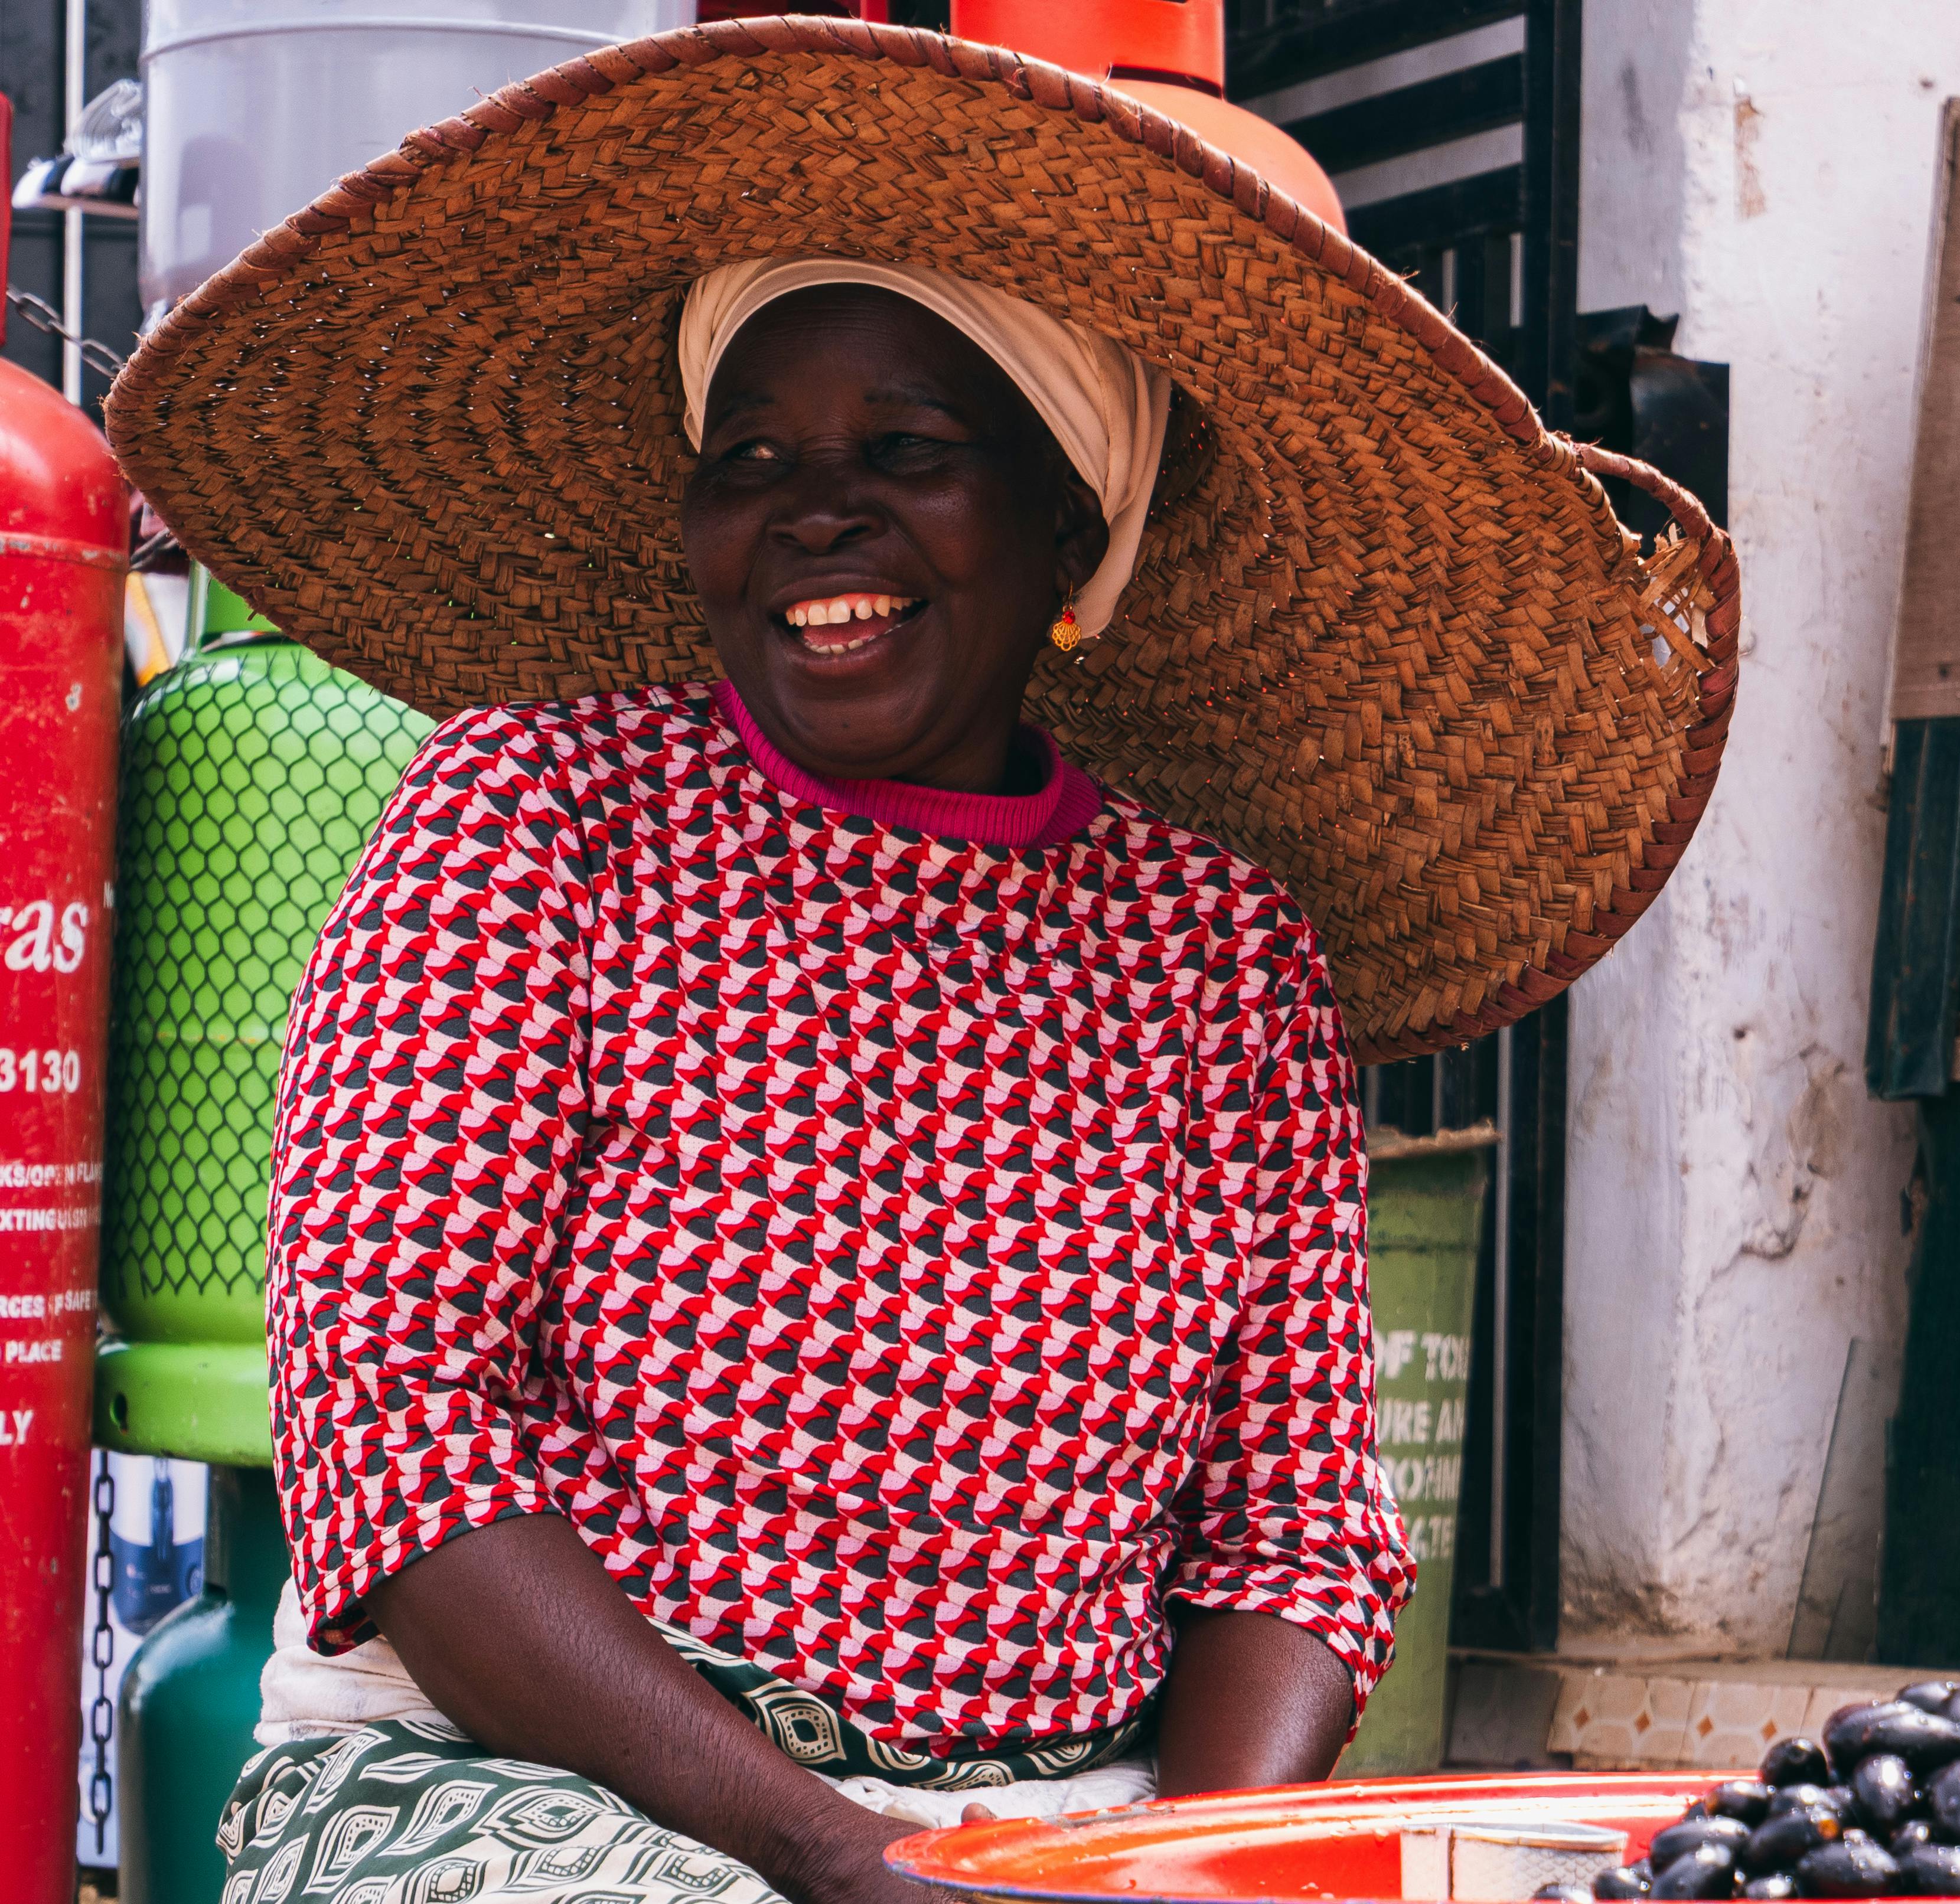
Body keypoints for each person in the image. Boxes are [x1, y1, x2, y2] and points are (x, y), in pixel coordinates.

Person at [105, 20, 1736, 1904]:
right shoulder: (534, 820)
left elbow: (1294, 1538)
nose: (814, 507)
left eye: (908, 452)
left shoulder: (1212, 950)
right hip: (526, 1792)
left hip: (1065, 1822)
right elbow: (403, 1439)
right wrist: (838, 1852)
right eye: (755, 457)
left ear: (1069, 524)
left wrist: (1179, 1869)